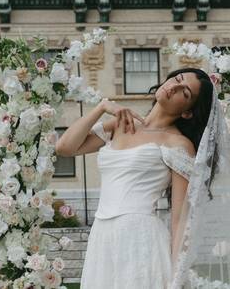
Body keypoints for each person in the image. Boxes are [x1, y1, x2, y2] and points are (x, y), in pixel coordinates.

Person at [55, 68, 214, 289]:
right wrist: (101, 107)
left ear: (188, 112)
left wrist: (177, 278)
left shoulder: (179, 144)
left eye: (184, 92)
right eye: (176, 79)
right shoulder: (121, 125)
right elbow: (64, 147)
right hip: (102, 237)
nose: (174, 87)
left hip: (140, 239)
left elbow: (180, 219)